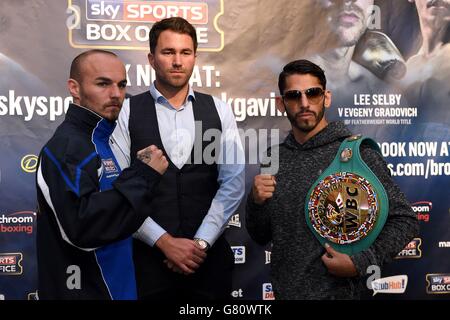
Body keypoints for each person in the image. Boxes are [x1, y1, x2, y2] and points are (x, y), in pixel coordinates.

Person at [245, 59, 419, 299]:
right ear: (281, 104)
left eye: (312, 93)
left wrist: (361, 262)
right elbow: (260, 234)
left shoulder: (357, 154)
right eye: (294, 96)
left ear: (326, 98)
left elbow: (405, 219)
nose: (304, 103)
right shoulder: (273, 158)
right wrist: (256, 202)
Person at [111, 17, 245, 300]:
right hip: (146, 263)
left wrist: (199, 244)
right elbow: (118, 186)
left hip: (209, 264)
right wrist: (164, 242)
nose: (177, 61)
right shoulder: (127, 111)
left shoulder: (219, 110)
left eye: (185, 52)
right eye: (168, 52)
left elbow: (232, 183)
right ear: (151, 58)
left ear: (195, 57)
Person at [36, 49, 168, 300]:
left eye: (121, 84)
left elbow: (119, 218)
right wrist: (143, 175)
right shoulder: (68, 147)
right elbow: (81, 228)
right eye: (103, 83)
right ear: (74, 88)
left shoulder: (98, 140)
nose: (116, 94)